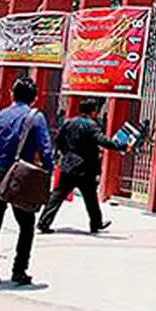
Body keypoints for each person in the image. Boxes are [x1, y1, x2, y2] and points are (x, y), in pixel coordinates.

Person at [0, 77, 54, 288]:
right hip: (22, 175)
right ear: (34, 98)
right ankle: (19, 270)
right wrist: (48, 173)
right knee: (26, 225)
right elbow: (45, 149)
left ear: (12, 94)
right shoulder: (36, 118)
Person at [37, 98, 131, 235]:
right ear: (93, 112)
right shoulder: (92, 125)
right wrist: (121, 146)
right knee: (90, 197)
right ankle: (96, 224)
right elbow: (103, 141)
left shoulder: (68, 122)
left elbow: (58, 140)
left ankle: (44, 222)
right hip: (85, 168)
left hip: (68, 166)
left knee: (57, 195)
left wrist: (66, 154)